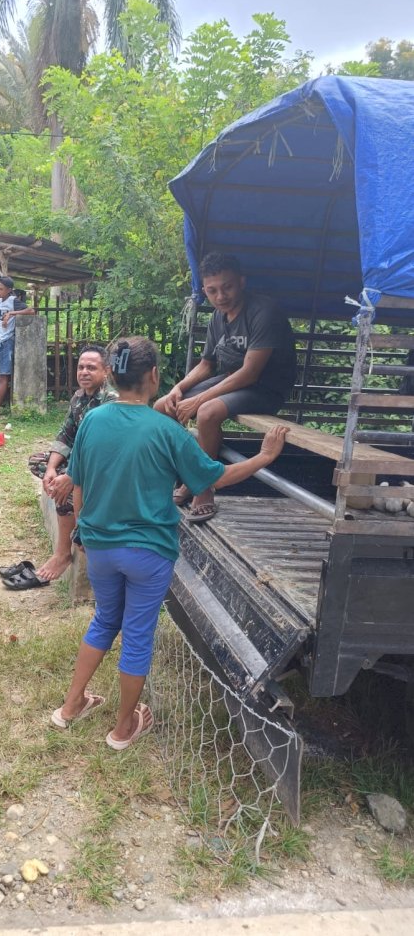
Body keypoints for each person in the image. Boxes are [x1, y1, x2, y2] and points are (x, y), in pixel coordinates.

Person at [53, 337, 288, 750]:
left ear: (112, 375)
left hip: (100, 546)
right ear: (155, 377)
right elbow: (212, 478)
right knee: (138, 634)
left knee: (105, 621)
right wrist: (263, 457)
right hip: (149, 552)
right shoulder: (167, 431)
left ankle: (70, 707)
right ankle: (123, 728)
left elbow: (79, 479)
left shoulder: (93, 420)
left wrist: (81, 532)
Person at [155, 252, 296, 523]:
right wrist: (179, 389)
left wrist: (198, 401)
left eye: (227, 287)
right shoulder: (218, 318)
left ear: (242, 282)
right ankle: (189, 475)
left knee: (207, 412)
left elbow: (249, 373)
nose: (221, 296)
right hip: (232, 382)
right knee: (163, 406)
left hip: (265, 387)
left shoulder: (264, 312)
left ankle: (204, 487)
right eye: (212, 290)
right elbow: (206, 365)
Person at [1, 345, 117, 588]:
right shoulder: (79, 398)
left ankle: (63, 553)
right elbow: (65, 434)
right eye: (81, 367)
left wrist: (72, 476)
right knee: (40, 463)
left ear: (106, 371)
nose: (84, 372)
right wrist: (53, 469)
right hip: (80, 460)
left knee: (65, 490)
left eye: (91, 368)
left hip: (104, 467)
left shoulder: (110, 401)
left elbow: (99, 450)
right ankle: (65, 489)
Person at [0, 276, 35, 417]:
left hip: (6, 342)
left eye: (1, 289)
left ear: (9, 290)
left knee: (3, 377)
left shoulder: (13, 301)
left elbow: (31, 311)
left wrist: (12, 313)